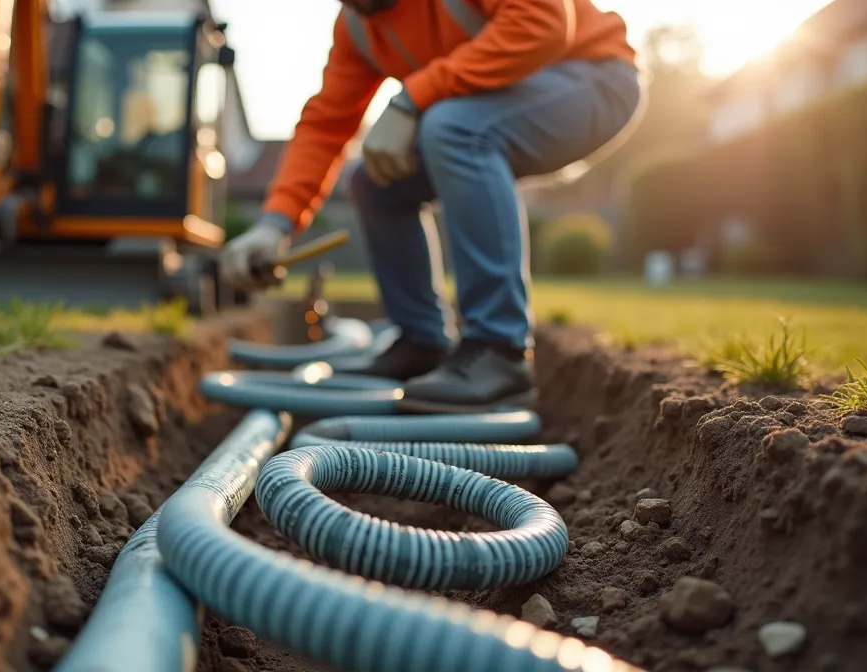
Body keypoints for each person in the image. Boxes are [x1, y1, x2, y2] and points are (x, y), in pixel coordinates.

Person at [219, 0, 643, 413]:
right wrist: (274, 224)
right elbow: (326, 123)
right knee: (374, 179)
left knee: (453, 128)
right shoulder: (357, 27)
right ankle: (422, 343)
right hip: (496, 100)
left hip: (594, 76)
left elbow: (544, 20)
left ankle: (500, 351)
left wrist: (411, 99)